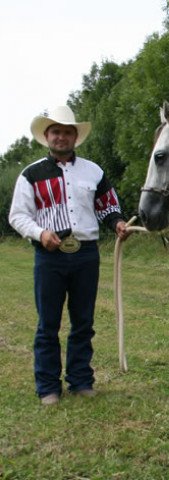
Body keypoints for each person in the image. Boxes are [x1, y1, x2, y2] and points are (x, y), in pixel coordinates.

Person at [9, 105, 131, 406]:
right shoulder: (31, 174)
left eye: (67, 132)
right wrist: (40, 233)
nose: (61, 137)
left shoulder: (94, 171)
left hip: (86, 254)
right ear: (47, 136)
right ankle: (48, 387)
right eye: (56, 132)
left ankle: (80, 380)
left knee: (83, 321)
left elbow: (107, 205)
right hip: (49, 255)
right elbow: (18, 216)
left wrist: (117, 222)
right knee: (47, 324)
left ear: (75, 136)